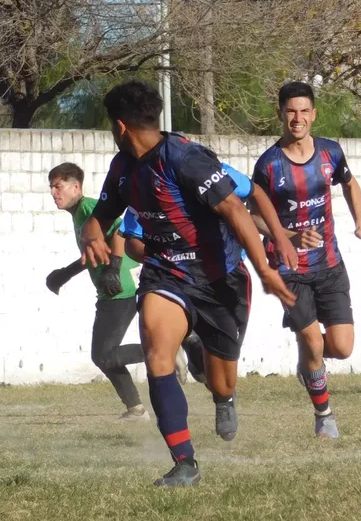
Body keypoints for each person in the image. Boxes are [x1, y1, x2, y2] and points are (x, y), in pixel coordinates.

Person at [81, 80, 296, 487]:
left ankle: (224, 396)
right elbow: (102, 216)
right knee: (157, 355)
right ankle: (185, 463)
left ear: (121, 126)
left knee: (220, 380)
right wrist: (91, 234)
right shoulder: (122, 167)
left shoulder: (185, 156)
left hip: (220, 279)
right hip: (165, 273)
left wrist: (266, 269)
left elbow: (235, 208)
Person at [251, 81, 361, 439]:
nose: (298, 118)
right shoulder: (267, 165)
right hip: (289, 269)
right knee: (311, 341)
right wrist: (288, 236)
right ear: (280, 114)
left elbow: (350, 184)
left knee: (341, 347)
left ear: (314, 114)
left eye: (304, 111)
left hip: (330, 265)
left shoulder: (330, 153)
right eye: (291, 111)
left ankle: (308, 366)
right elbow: (254, 217)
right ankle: (324, 415)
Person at [120, 163, 298, 393]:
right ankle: (186, 344)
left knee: (222, 372)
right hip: (173, 276)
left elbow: (251, 204)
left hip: (225, 273)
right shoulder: (146, 185)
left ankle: (222, 394)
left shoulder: (218, 173)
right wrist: (166, 258)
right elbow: (131, 240)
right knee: (163, 346)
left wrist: (282, 237)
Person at [45, 162, 185, 421]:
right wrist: (63, 274)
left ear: (76, 186)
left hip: (119, 287)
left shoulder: (89, 208)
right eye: (51, 187)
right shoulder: (79, 215)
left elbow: (121, 232)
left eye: (58, 186)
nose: (53, 192)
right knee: (104, 356)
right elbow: (93, 253)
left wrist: (114, 268)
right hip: (111, 288)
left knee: (103, 354)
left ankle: (164, 351)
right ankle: (135, 408)